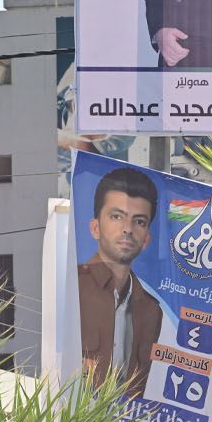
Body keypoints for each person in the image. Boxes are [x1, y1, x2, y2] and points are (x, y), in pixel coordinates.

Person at [78, 166, 164, 396]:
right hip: (71, 417)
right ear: (95, 228)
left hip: (128, 419)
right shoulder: (71, 288)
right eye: (116, 217)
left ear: (146, 239)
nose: (127, 229)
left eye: (139, 221)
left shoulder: (152, 310)